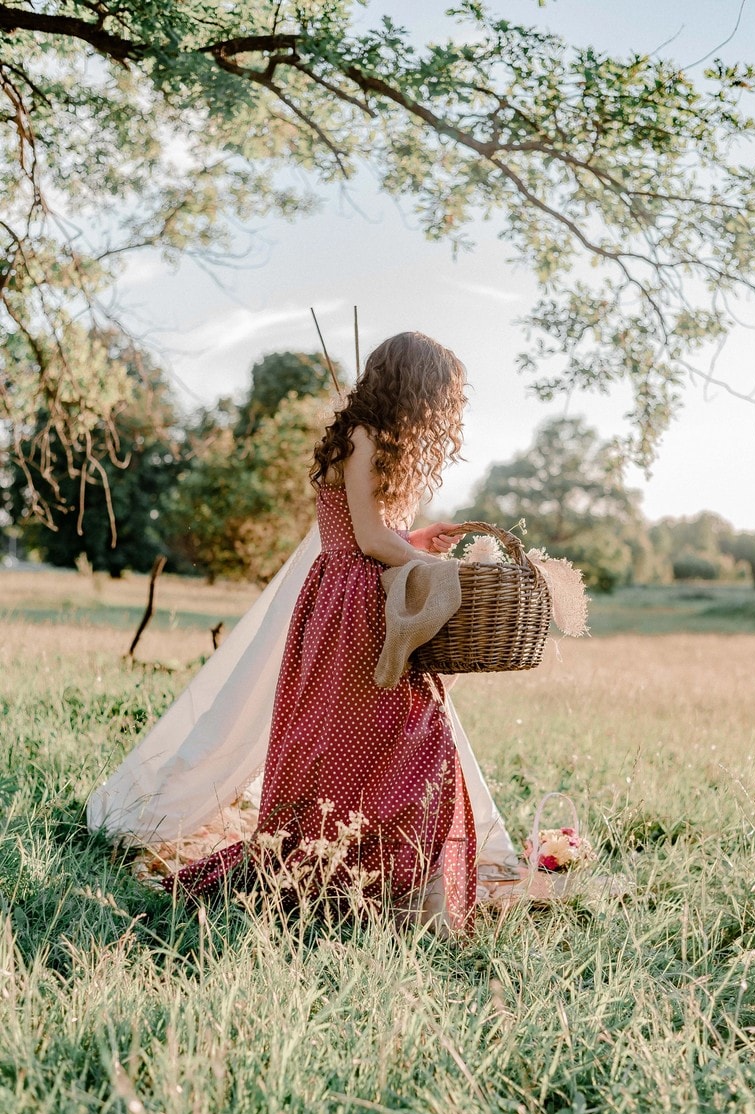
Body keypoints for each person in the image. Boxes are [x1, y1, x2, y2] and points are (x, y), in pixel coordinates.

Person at [88, 331, 525, 932]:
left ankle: (386, 875)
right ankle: (348, 871)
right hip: (350, 605)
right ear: (413, 385)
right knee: (379, 737)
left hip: (362, 597)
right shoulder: (366, 437)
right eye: (439, 392)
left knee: (399, 737)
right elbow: (367, 541)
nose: (443, 406)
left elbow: (374, 531)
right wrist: (441, 571)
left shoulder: (374, 438)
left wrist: (419, 541)